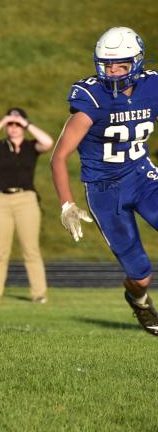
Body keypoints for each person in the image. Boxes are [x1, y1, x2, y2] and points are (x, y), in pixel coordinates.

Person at [51, 27, 158, 337]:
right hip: (104, 189)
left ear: (136, 63)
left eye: (120, 65)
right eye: (107, 64)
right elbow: (59, 157)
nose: (112, 71)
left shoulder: (152, 86)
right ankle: (138, 302)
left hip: (141, 176)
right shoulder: (91, 97)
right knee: (139, 274)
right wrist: (67, 204)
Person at [0, 107, 53, 303]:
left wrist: (26, 124)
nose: (14, 127)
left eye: (17, 124)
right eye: (11, 124)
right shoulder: (0, 146)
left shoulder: (31, 146)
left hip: (26, 199)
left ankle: (39, 294)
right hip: (1, 201)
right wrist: (2, 122)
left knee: (31, 250)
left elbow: (48, 142)